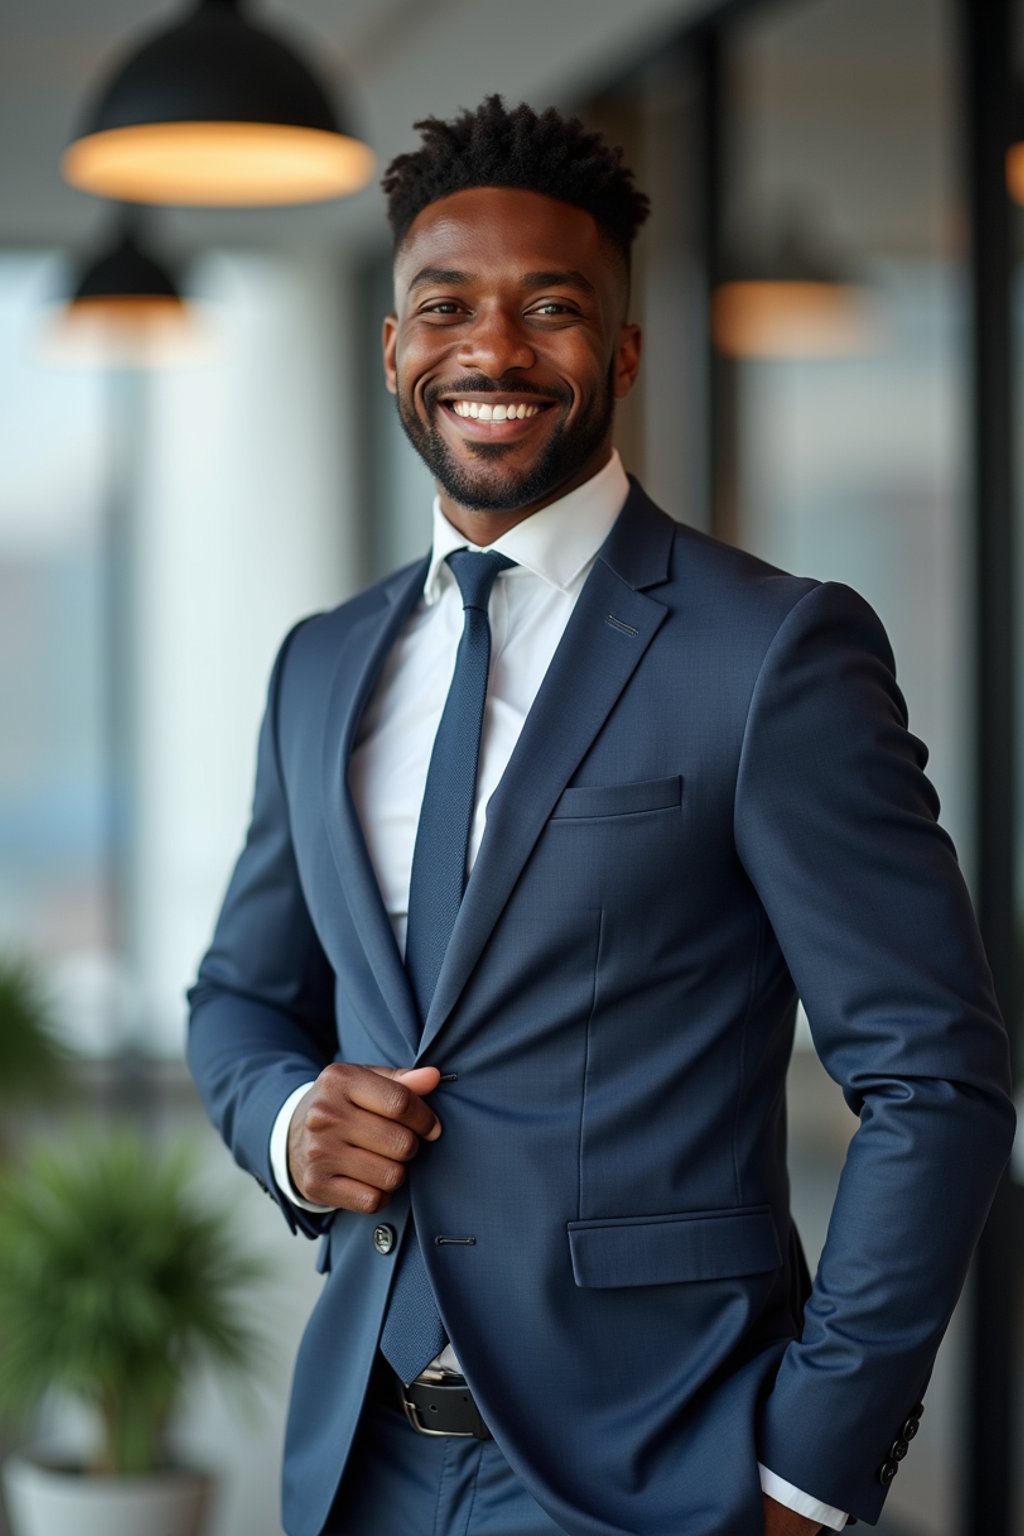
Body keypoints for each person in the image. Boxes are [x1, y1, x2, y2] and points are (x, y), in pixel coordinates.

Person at [187, 97, 1015, 1536]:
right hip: (355, 1464)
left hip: (661, 1469)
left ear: (622, 351)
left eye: (549, 308)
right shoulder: (321, 665)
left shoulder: (771, 653)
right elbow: (240, 998)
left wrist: (807, 1472)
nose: (491, 350)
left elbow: (934, 1081)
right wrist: (287, 1124)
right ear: (392, 351)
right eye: (443, 307)